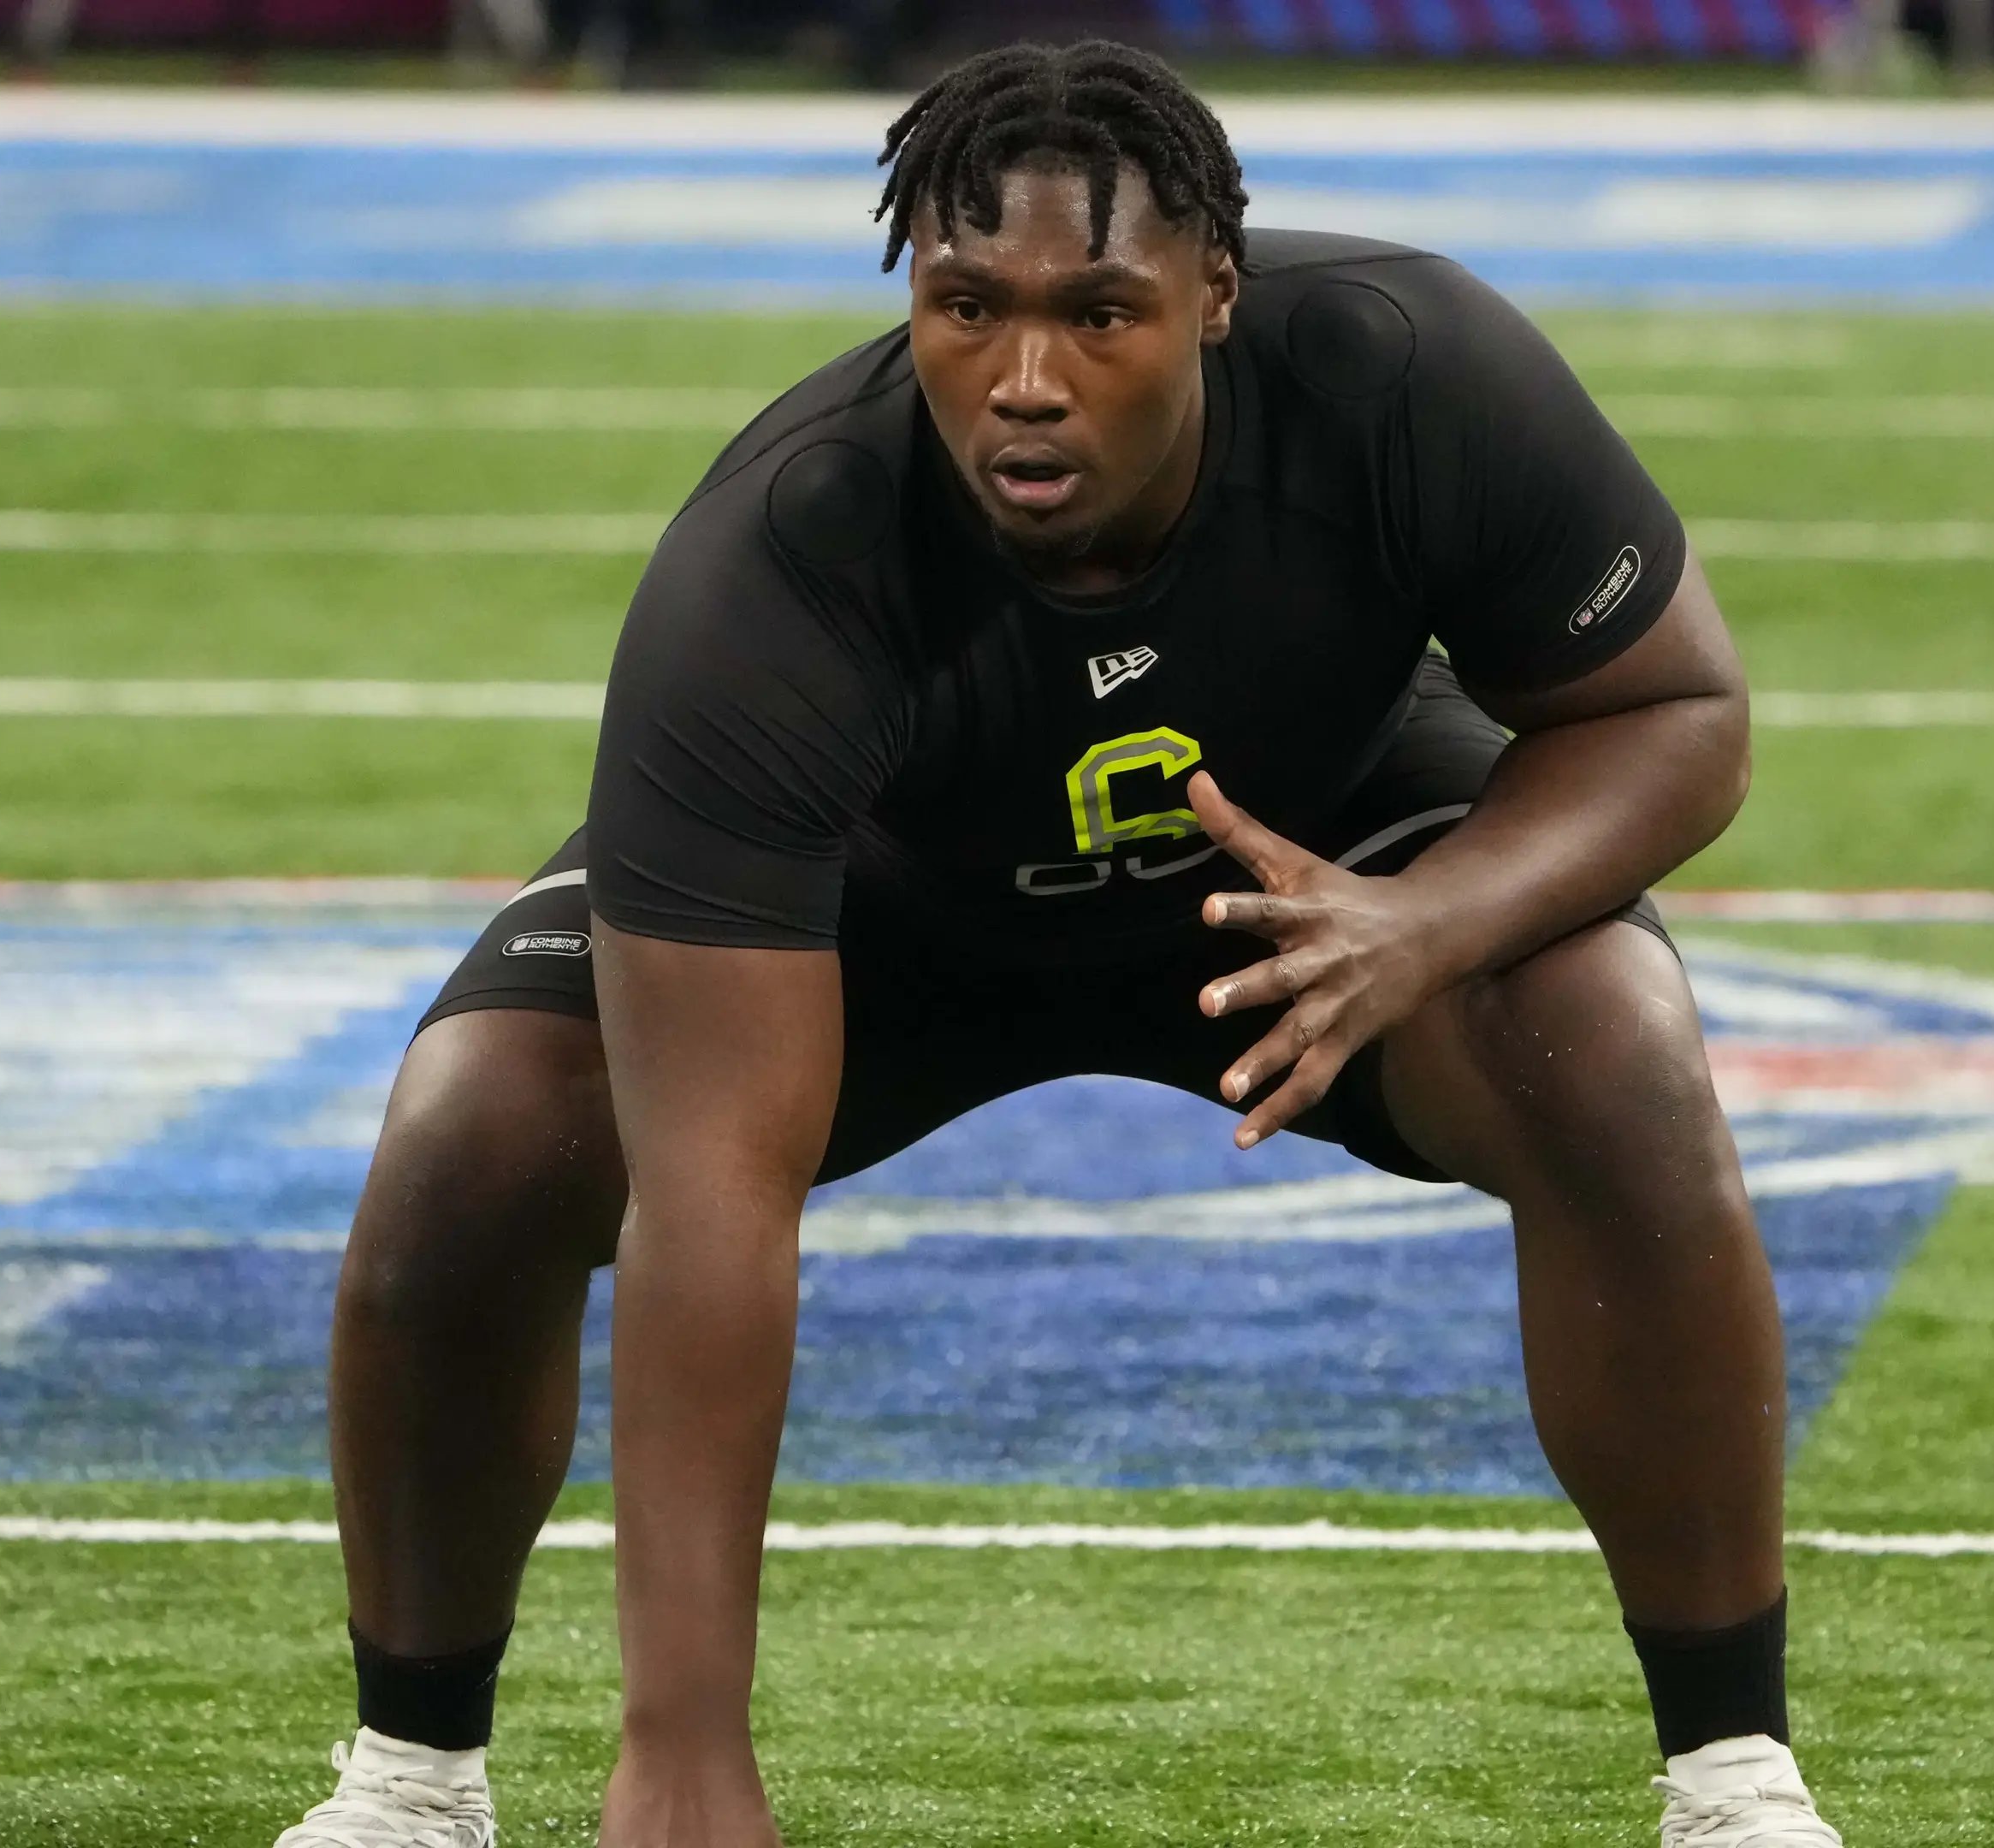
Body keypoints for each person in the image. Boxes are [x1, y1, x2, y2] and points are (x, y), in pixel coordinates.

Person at [274, 39, 1838, 1848]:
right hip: (893, 911)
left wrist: (1428, 921)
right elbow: (710, 1194)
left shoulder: (1407, 368)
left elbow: (1681, 709)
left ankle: (1735, 1779)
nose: (1025, 380)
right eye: (967, 306)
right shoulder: (778, 568)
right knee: (479, 1128)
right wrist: (683, 1745)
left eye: (1101, 313)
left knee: (1614, 1051)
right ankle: (411, 1785)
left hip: (1303, 862)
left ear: (1218, 298)